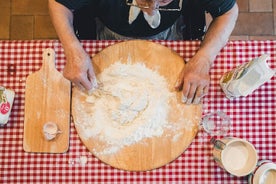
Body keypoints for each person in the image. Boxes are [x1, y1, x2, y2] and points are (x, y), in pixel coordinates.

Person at [48, 0, 238, 104]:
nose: (151, 8)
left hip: (170, 32)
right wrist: (73, 50)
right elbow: (59, 4)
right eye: (142, 0)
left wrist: (204, 59)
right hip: (110, 31)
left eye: (163, 0)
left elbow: (228, 12)